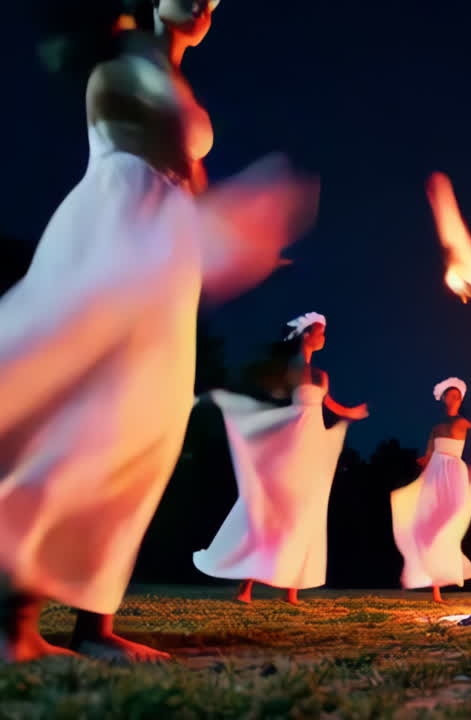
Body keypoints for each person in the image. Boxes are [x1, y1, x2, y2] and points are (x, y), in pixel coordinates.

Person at [0, 0, 315, 662]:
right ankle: (15, 625)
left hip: (170, 253)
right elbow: (130, 126)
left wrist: (224, 226)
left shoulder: (160, 71)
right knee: (85, 413)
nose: (204, 2)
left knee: (150, 425)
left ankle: (95, 624)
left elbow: (186, 170)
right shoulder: (120, 58)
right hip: (120, 226)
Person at [193, 313, 368, 605]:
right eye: (320, 332)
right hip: (290, 440)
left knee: (305, 507)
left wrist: (350, 413)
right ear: (306, 335)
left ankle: (292, 589)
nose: (324, 337)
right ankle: (245, 588)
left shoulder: (321, 375)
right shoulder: (288, 371)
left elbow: (329, 404)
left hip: (312, 443)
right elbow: (271, 400)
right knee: (272, 505)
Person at [391, 378, 471, 602]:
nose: (454, 399)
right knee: (430, 524)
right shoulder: (437, 427)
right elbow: (429, 454)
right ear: (443, 399)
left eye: (457, 396)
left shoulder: (463, 421)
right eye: (450, 395)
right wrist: (423, 464)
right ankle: (435, 589)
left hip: (454, 471)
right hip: (435, 471)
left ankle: (446, 561)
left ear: (460, 400)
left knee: (451, 520)